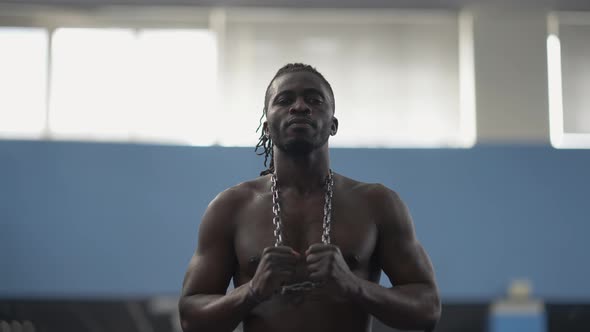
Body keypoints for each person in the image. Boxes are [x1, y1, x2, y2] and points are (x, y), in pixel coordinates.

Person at [178, 63, 441, 332]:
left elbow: (428, 308)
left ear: (333, 125)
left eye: (314, 100)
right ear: (266, 127)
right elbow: (190, 317)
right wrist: (253, 290)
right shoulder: (230, 208)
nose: (300, 107)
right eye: (285, 100)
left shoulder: (377, 204)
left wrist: (354, 286)